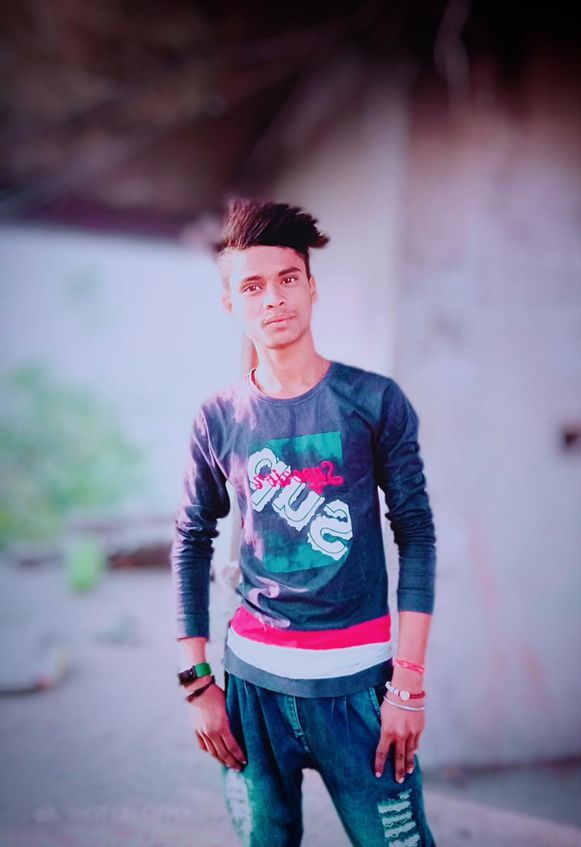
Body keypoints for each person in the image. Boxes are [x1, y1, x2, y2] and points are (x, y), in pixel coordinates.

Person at [170, 198, 438, 847]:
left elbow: (417, 534)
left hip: (361, 693)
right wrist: (197, 682)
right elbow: (191, 539)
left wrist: (408, 684)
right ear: (231, 305)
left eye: (288, 278)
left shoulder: (373, 400)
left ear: (312, 288)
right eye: (252, 286)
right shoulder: (218, 417)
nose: (273, 298)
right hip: (251, 691)